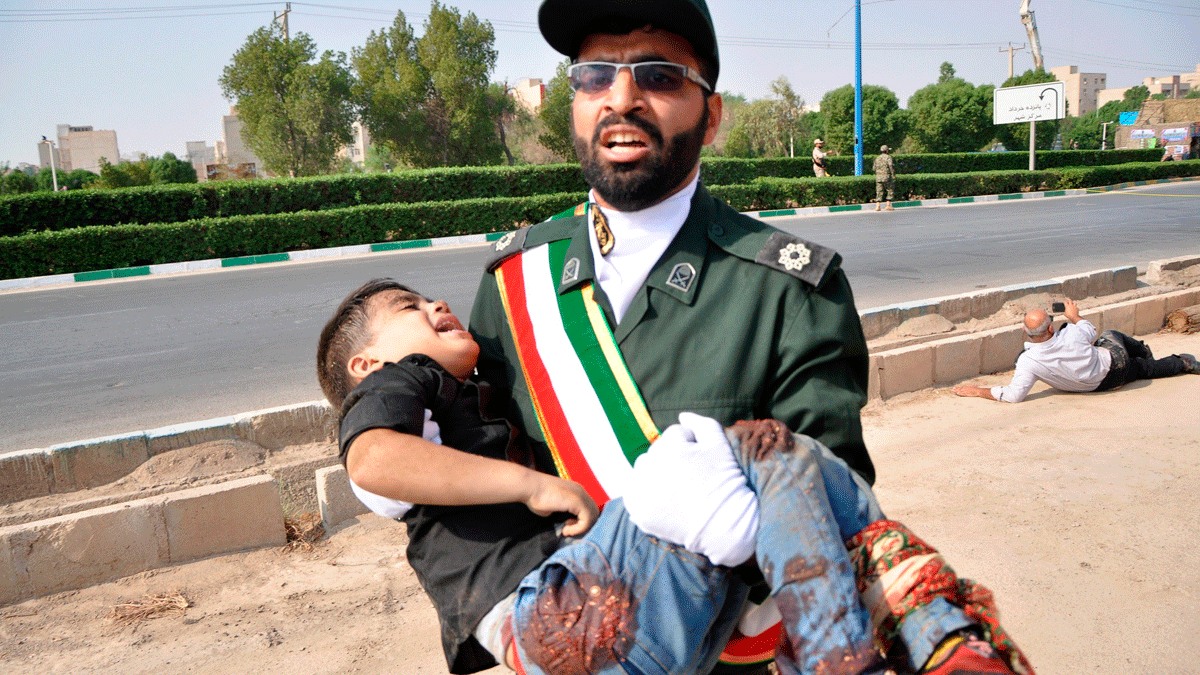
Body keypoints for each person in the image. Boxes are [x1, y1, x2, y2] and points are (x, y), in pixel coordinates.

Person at [467, 2, 1027, 674]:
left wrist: (731, 540)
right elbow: (475, 490)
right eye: (594, 75)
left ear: (712, 114)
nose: (621, 98)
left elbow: (830, 515)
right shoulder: (516, 280)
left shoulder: (792, 290)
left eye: (658, 75)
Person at [319, 279, 1033, 675]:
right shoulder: (398, 386)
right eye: (410, 308)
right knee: (748, 451)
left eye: (429, 297)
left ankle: (897, 639)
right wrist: (537, 487)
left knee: (788, 466)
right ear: (366, 364)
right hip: (555, 614)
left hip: (627, 639)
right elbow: (373, 461)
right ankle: (918, 633)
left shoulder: (467, 396)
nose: (436, 304)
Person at [953, 298, 1199, 403]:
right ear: (1051, 328)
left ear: (1026, 333)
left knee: (1139, 369)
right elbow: (1090, 330)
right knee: (1111, 335)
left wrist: (977, 391)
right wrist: (1073, 315)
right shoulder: (1072, 333)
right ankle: (1152, 355)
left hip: (1096, 387)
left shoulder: (1028, 361)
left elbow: (1013, 395)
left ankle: (1180, 362)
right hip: (1114, 365)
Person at [873, 145, 895, 211]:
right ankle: (888, 205)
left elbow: (874, 168)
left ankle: (878, 206)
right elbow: (890, 166)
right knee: (890, 190)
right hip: (887, 176)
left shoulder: (877, 158)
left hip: (878, 177)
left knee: (879, 191)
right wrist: (893, 174)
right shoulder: (888, 157)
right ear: (887, 151)